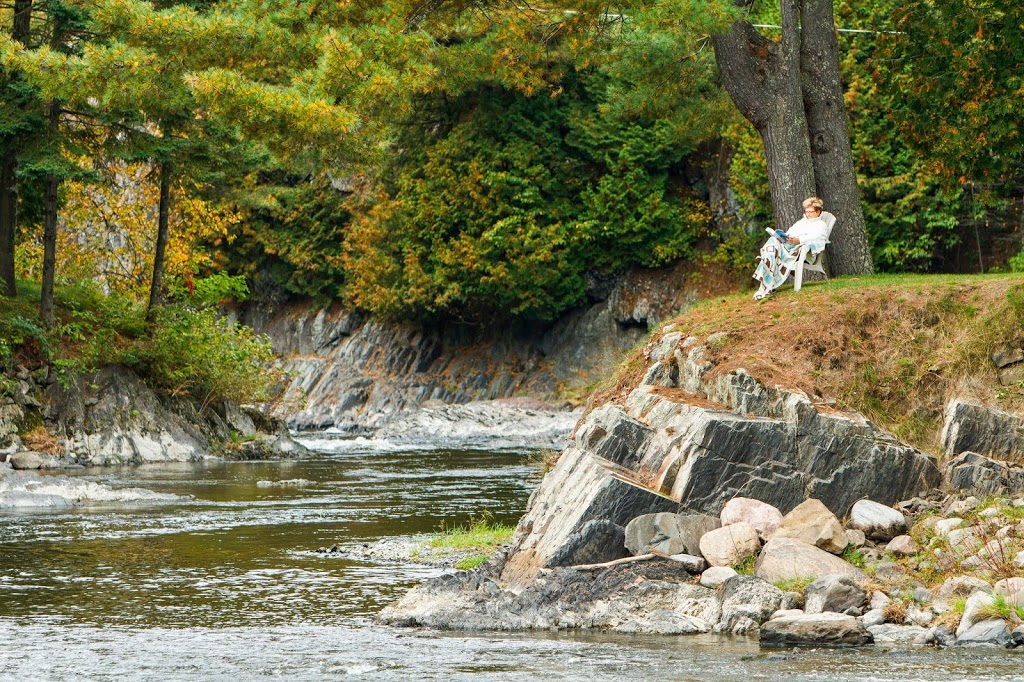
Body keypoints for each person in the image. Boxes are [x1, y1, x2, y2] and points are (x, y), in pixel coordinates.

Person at [752, 196, 833, 300]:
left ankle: (767, 265)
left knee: (771, 253)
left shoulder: (821, 225)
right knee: (773, 241)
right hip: (789, 248)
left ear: (818, 212)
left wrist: (799, 240)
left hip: (802, 252)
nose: (807, 214)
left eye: (810, 212)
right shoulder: (801, 222)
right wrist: (786, 237)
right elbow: (790, 232)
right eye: (806, 211)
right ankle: (767, 257)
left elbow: (818, 239)